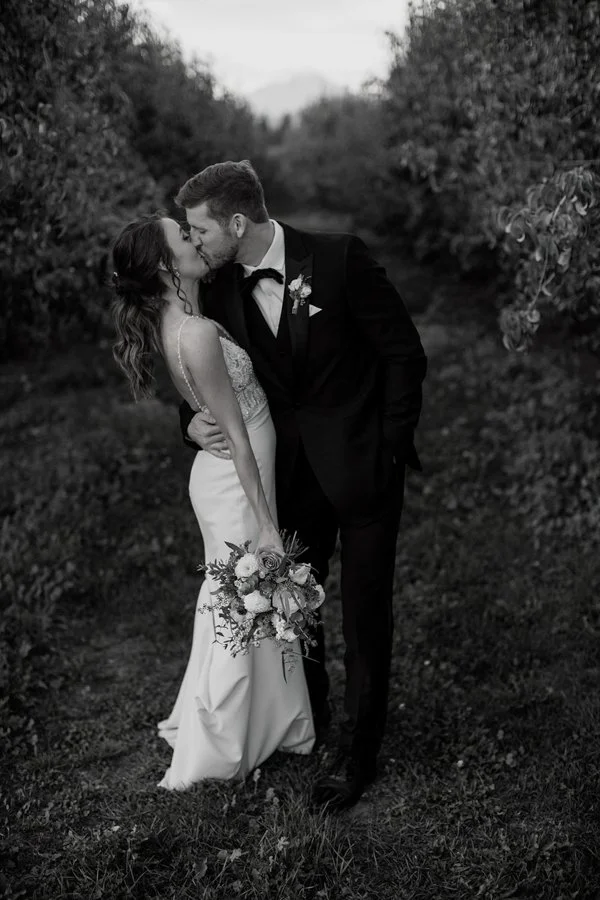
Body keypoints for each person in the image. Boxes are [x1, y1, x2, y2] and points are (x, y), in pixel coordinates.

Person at [176, 160, 427, 810]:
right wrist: (190, 425)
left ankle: (359, 751)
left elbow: (403, 351)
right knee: (296, 607)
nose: (195, 241)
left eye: (201, 229)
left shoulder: (339, 259)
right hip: (286, 479)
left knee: (365, 613)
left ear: (238, 222)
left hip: (364, 469)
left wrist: (390, 445)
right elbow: (206, 375)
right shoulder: (219, 291)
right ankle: (311, 716)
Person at [111, 213, 315, 790]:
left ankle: (272, 722)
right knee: (240, 603)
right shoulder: (195, 331)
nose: (195, 237)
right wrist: (268, 524)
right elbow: (239, 439)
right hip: (235, 480)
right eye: (183, 235)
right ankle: (217, 750)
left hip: (231, 473)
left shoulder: (184, 316)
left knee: (242, 601)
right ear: (163, 265)